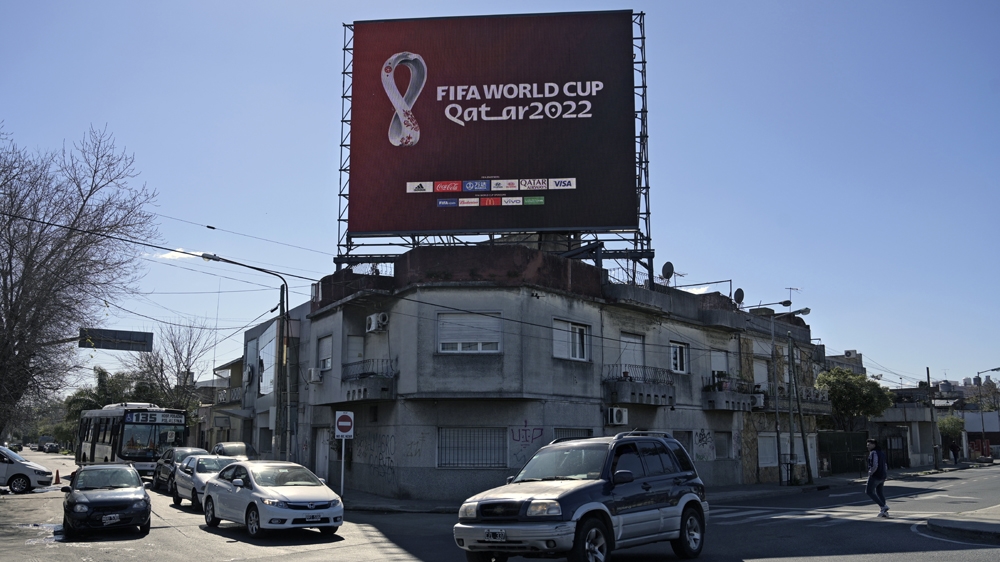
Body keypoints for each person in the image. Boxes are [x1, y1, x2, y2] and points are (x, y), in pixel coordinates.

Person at [866, 438, 889, 517]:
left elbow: (875, 465)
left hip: (875, 475)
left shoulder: (873, 453)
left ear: (873, 445)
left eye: (869, 445)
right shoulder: (881, 453)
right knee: (879, 492)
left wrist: (870, 473)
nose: (867, 447)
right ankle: (884, 512)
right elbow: (885, 465)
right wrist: (885, 473)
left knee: (869, 491)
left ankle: (883, 506)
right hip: (882, 475)